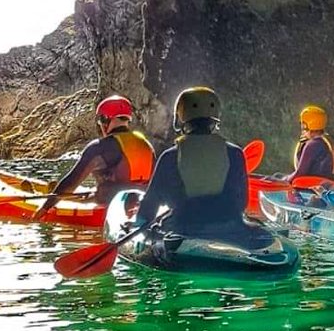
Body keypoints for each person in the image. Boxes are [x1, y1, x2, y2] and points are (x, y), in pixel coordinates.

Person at [133, 86, 250, 233]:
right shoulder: (235, 154)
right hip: (230, 232)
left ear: (181, 118)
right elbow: (242, 203)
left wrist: (139, 225)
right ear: (215, 119)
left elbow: (149, 207)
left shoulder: (170, 157)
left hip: (181, 232)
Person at [32, 95, 155, 218]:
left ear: (105, 119)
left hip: (109, 211)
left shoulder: (100, 147)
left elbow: (71, 183)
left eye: (100, 121)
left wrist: (44, 208)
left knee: (87, 193)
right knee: (96, 194)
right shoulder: (146, 145)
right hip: (144, 208)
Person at [286, 105, 334, 182]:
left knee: (275, 177)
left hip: (311, 186)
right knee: (277, 175)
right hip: (324, 184)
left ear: (306, 125)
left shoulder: (312, 145)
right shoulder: (326, 141)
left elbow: (300, 173)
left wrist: (282, 180)